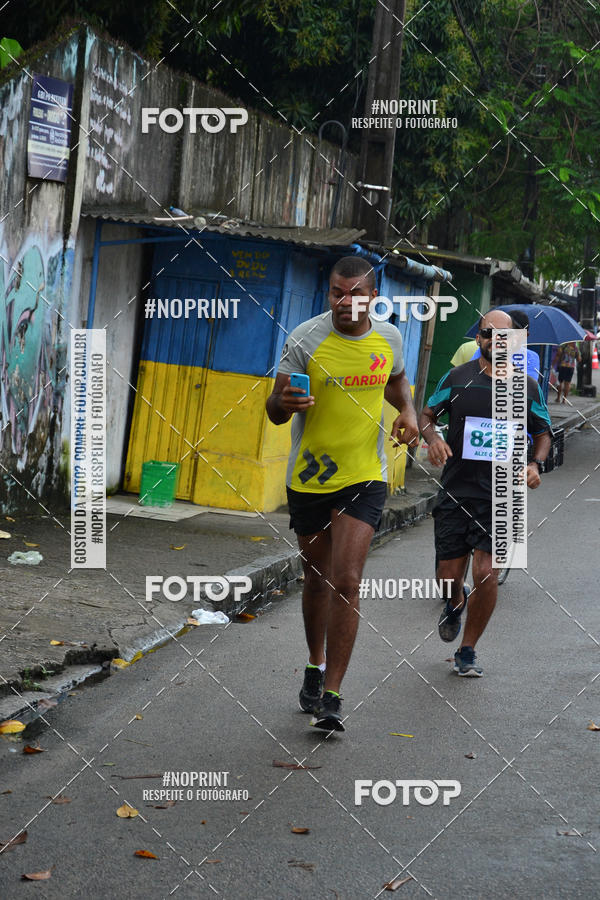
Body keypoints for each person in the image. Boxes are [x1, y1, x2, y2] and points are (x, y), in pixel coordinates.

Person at [266, 256, 419, 730]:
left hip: (364, 475)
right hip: (309, 480)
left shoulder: (389, 338)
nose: (345, 303)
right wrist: (284, 403)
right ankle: (314, 665)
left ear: (373, 297)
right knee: (316, 580)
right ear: (328, 292)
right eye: (337, 293)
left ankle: (333, 695)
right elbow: (274, 409)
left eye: (355, 294)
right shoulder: (305, 339)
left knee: (347, 581)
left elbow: (395, 383)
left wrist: (409, 413)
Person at [419, 309, 552, 676]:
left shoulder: (527, 386)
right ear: (478, 339)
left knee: (487, 573)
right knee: (448, 575)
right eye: (488, 334)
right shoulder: (458, 378)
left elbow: (543, 432)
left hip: (503, 493)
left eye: (503, 335)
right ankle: (454, 602)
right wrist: (433, 439)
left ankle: (467, 650)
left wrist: (534, 464)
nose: (496, 341)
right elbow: (427, 415)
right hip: (457, 487)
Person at [471, 310, 541, 380]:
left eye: (516, 330)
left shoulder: (530, 357)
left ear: (525, 335)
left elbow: (529, 385)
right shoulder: (487, 350)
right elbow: (472, 374)